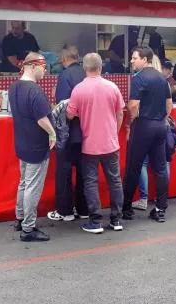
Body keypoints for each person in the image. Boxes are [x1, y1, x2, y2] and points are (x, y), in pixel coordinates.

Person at [67, 53, 126, 234]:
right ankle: (116, 219)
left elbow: (70, 114)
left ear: (84, 68)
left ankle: (95, 221)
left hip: (89, 144)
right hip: (111, 143)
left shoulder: (78, 89)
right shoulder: (112, 87)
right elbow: (120, 113)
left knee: (91, 182)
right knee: (115, 181)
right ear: (100, 67)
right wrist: (114, 132)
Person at [122, 47, 172, 223]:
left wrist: (133, 120)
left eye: (134, 58)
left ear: (145, 59)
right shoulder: (162, 78)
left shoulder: (138, 78)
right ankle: (160, 208)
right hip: (160, 126)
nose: (131, 61)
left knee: (133, 167)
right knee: (160, 168)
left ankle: (126, 208)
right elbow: (169, 105)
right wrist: (161, 119)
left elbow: (133, 105)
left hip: (143, 125)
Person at [10, 52, 56, 242]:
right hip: (36, 146)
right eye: (44, 67)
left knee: (24, 182)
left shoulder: (14, 87)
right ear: (33, 66)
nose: (45, 71)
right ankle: (28, 229)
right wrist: (52, 133)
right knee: (32, 187)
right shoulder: (35, 91)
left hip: (22, 143)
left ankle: (20, 219)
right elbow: (42, 119)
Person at [48, 47, 87, 222]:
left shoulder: (65, 75)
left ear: (64, 59)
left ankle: (65, 211)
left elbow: (62, 105)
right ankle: (84, 209)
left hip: (69, 132)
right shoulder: (87, 73)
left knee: (64, 171)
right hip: (87, 132)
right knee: (84, 172)